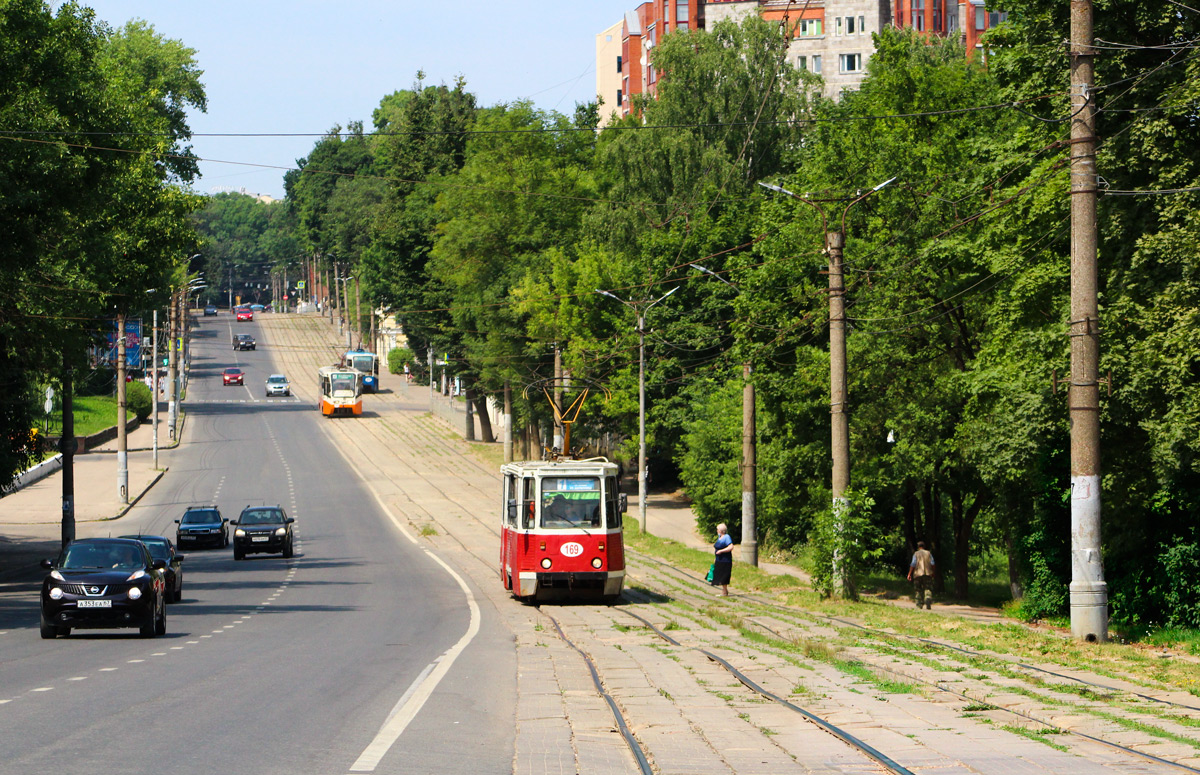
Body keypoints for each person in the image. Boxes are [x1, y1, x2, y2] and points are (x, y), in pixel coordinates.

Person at [907, 540, 935, 609]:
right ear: (924, 546)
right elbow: (933, 563)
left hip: (918, 574)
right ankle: (928, 598)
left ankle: (919, 605)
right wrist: (933, 572)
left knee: (918, 590)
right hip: (928, 574)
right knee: (928, 588)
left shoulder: (916, 554)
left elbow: (913, 564)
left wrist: (909, 574)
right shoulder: (928, 553)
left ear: (918, 547)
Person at [712, 523, 734, 596]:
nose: (717, 530)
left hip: (725, 560)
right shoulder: (719, 537)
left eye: (718, 529)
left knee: (724, 576)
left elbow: (731, 547)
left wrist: (722, 551)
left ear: (721, 530)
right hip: (719, 560)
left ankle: (724, 592)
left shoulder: (726, 537)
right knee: (719, 575)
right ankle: (724, 591)